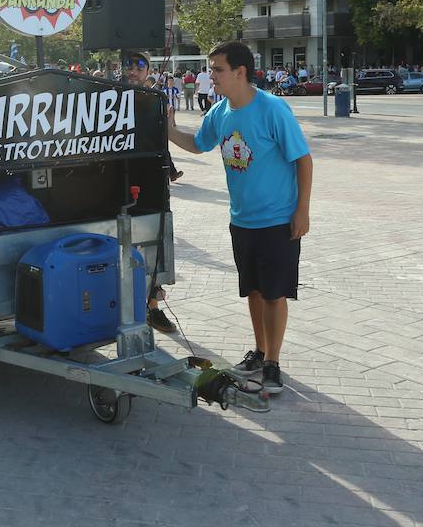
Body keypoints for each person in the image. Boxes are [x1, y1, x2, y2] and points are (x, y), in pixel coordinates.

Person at [166, 41, 313, 395]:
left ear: (240, 72)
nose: (211, 76)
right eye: (211, 69)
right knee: (254, 290)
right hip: (242, 221)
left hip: (277, 220)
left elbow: (303, 159)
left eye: (217, 70)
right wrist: (168, 129)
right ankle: (260, 353)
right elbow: (199, 143)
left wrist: (302, 210)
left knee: (274, 293)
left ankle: (273, 364)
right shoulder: (220, 113)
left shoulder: (272, 109)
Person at [121, 50, 181, 334]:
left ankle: (152, 307)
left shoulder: (157, 99)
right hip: (116, 179)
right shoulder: (110, 96)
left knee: (151, 243)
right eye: (129, 65)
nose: (133, 71)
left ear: (149, 71)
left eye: (140, 66)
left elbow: (163, 139)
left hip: (151, 182)